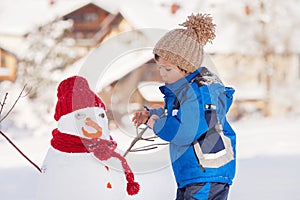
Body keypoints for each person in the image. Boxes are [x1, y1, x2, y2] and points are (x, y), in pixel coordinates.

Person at [132, 13, 236, 200]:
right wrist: (151, 114)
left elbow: (185, 132)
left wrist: (156, 124)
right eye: (160, 67)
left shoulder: (197, 94)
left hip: (205, 174)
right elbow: (176, 114)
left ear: (186, 67)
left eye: (168, 68)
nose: (162, 73)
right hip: (195, 174)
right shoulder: (184, 92)